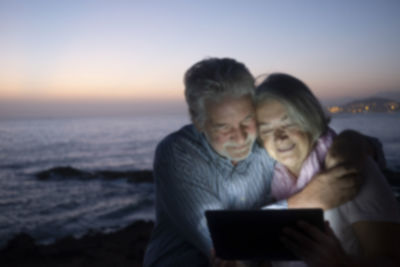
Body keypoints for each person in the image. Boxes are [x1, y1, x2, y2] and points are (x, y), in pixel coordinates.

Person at [143, 58, 360, 267]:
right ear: (198, 121)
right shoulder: (177, 153)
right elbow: (223, 241)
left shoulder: (265, 140)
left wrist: (347, 146)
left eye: (247, 120)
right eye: (223, 127)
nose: (240, 138)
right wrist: (307, 200)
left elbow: (348, 142)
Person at [255, 73, 400, 267]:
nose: (279, 137)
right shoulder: (269, 180)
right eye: (266, 130)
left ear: (309, 118)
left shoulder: (348, 169)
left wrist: (341, 263)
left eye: (288, 123)